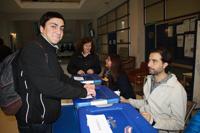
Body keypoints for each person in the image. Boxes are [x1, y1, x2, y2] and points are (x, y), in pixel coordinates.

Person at [15, 11, 96, 133]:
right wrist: (83, 92)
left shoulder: (49, 49)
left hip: (46, 116)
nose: (59, 32)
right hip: (36, 120)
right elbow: (49, 86)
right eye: (53, 26)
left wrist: (82, 85)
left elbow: (61, 77)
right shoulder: (33, 49)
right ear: (42, 28)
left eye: (61, 28)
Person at [121, 48, 187, 132]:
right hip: (143, 122)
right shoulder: (149, 80)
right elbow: (146, 102)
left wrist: (152, 120)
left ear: (165, 65)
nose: (149, 64)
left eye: (154, 61)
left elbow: (179, 124)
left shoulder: (176, 90)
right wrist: (128, 101)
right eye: (149, 60)